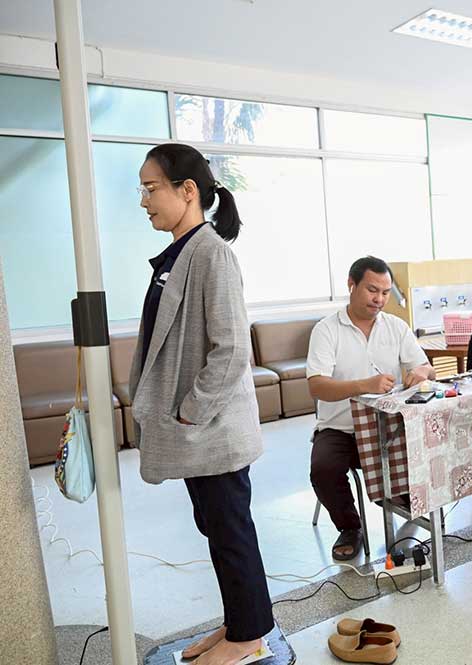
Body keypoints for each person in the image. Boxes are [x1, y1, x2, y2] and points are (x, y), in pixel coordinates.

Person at [130, 143, 272, 665]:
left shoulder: (212, 254)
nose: (144, 200)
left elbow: (231, 349)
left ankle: (249, 636)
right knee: (217, 530)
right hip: (195, 429)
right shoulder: (179, 253)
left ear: (187, 190)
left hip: (210, 428)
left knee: (231, 532)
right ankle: (240, 622)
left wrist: (191, 410)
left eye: (151, 188)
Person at [306, 256, 436, 561]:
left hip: (386, 427)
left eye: (385, 292)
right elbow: (317, 386)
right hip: (340, 428)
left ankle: (404, 503)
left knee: (423, 451)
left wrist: (421, 372)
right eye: (372, 290)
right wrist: (364, 385)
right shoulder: (327, 330)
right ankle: (350, 527)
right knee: (323, 469)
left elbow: (426, 367)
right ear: (351, 285)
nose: (379, 299)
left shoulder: (395, 327)